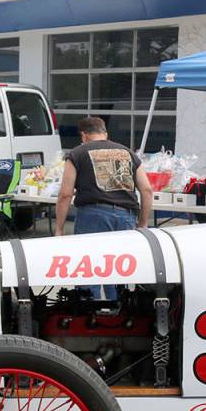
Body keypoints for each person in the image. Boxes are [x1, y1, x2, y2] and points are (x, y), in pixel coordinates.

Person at [56, 116, 153, 301]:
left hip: (93, 216)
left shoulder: (77, 153)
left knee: (89, 268)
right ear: (105, 134)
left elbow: (65, 194)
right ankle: (117, 315)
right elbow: (147, 190)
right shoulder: (127, 153)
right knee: (118, 270)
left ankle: (89, 318)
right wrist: (143, 223)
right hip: (126, 216)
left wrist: (59, 229)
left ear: (83, 135)